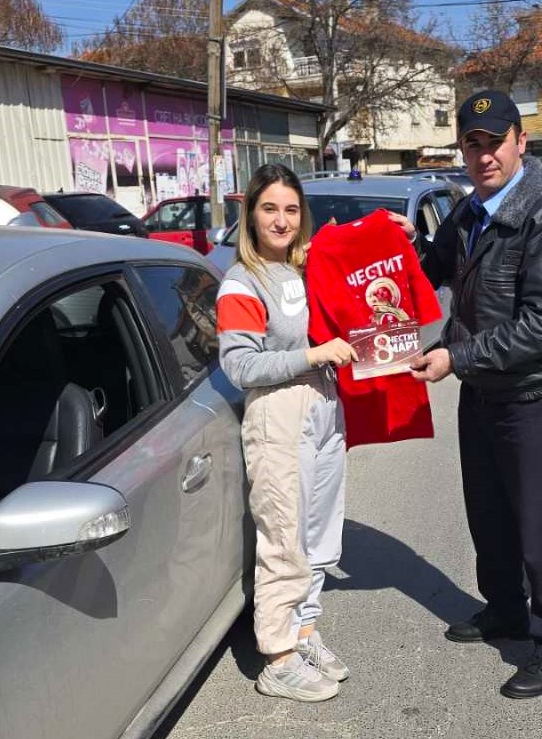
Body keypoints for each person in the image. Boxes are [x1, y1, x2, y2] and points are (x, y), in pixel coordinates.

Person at [407, 90, 542, 699]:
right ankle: (506, 609)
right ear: (462, 149)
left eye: (495, 142)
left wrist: (455, 356)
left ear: (521, 141)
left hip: (531, 396)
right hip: (480, 391)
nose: (484, 155)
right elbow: (429, 271)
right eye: (473, 143)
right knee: (487, 512)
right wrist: (388, 247)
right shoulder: (467, 214)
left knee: (541, 522)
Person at [216, 163, 358, 702]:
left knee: (320, 535)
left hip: (323, 406)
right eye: (269, 208)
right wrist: (313, 355)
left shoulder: (303, 266)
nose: (281, 220)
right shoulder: (243, 281)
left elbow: (361, 274)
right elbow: (241, 366)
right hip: (278, 413)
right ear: (251, 215)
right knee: (283, 536)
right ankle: (277, 657)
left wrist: (395, 234)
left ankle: (304, 631)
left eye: (291, 209)